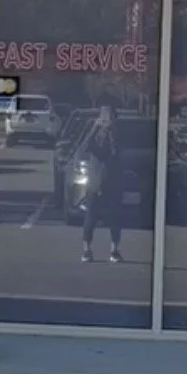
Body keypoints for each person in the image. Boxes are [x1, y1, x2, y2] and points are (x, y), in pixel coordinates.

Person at [81, 104, 124, 264]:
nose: (107, 121)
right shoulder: (94, 135)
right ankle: (86, 250)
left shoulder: (119, 134)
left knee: (115, 218)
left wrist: (112, 133)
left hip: (113, 183)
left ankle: (114, 251)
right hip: (95, 183)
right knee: (90, 218)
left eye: (110, 118)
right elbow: (85, 146)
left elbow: (115, 152)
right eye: (104, 118)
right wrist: (94, 128)